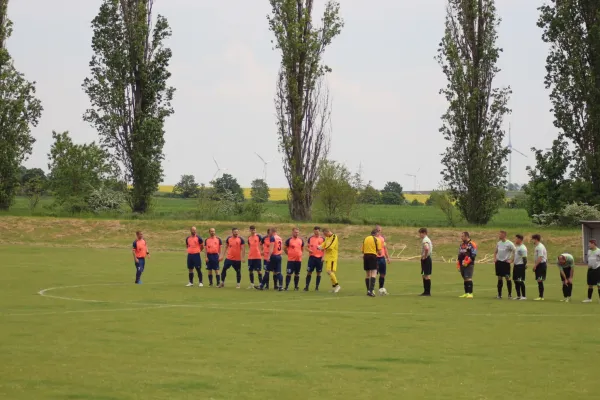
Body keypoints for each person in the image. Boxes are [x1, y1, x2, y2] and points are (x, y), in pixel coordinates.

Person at [494, 230, 515, 299]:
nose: (499, 235)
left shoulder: (509, 243)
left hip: (505, 263)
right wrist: (495, 258)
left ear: (504, 235)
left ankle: (509, 294)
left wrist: (511, 260)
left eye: (500, 234)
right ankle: (499, 294)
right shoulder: (499, 243)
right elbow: (495, 252)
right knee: (499, 277)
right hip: (499, 262)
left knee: (507, 277)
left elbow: (515, 251)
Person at [362, 229, 382, 297]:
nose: (379, 235)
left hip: (365, 256)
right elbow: (379, 252)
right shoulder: (377, 239)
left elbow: (363, 250)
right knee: (374, 272)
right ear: (376, 234)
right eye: (379, 234)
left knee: (367, 274)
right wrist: (379, 253)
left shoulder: (365, 238)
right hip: (372, 256)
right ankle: (371, 290)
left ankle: (368, 290)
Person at [304, 226, 324, 291]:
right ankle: (306, 287)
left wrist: (323, 257)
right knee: (309, 272)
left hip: (319, 258)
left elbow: (325, 249)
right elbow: (306, 247)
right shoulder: (310, 238)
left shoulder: (322, 239)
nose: (316, 232)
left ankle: (317, 287)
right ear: (313, 231)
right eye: (315, 231)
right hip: (312, 258)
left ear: (319, 231)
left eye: (317, 231)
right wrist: (309, 250)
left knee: (318, 272)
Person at [457, 232, 477, 299]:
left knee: (468, 278)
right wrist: (458, 264)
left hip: (469, 264)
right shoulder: (462, 244)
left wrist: (467, 261)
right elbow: (459, 255)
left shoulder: (472, 244)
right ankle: (466, 293)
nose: (461, 238)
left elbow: (473, 255)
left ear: (466, 236)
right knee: (465, 278)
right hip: (462, 264)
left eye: (462, 236)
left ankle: (470, 293)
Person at [321, 228, 341, 293]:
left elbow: (331, 247)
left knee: (330, 271)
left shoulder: (334, 237)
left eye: (325, 234)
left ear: (327, 232)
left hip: (332, 257)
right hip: (328, 257)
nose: (324, 235)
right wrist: (320, 246)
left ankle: (337, 286)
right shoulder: (327, 238)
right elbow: (324, 243)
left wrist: (322, 248)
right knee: (329, 272)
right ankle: (334, 287)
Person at [375, 226, 391, 293]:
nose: (379, 231)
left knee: (383, 274)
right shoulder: (373, 238)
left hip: (382, 258)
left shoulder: (382, 238)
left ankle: (381, 288)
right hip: (375, 258)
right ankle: (371, 289)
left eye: (380, 230)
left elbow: (385, 248)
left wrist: (387, 258)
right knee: (374, 274)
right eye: (377, 230)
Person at [583, 239, 600, 303]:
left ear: (593, 244)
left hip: (598, 269)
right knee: (590, 284)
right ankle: (589, 298)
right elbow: (589, 259)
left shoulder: (599, 251)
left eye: (589, 244)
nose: (588, 245)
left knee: (599, 284)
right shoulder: (589, 251)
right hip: (590, 269)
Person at [532, 234, 547, 301]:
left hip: (541, 265)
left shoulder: (540, 247)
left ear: (536, 239)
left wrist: (535, 265)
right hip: (540, 265)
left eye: (533, 239)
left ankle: (541, 296)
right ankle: (541, 296)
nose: (532, 240)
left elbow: (540, 257)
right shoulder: (537, 246)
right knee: (539, 280)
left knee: (539, 280)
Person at [512, 234, 528, 300]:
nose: (515, 240)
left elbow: (525, 258)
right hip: (516, 265)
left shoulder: (523, 248)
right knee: (516, 281)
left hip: (520, 266)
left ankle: (523, 296)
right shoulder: (517, 247)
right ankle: (518, 295)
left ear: (520, 239)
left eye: (516, 239)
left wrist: (524, 266)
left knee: (520, 281)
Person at [419, 228, 433, 296]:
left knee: (426, 275)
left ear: (424, 233)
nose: (419, 235)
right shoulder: (427, 239)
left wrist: (424, 256)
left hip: (426, 259)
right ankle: (426, 291)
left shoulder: (425, 240)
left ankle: (427, 292)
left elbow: (426, 248)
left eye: (420, 233)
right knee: (424, 275)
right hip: (427, 258)